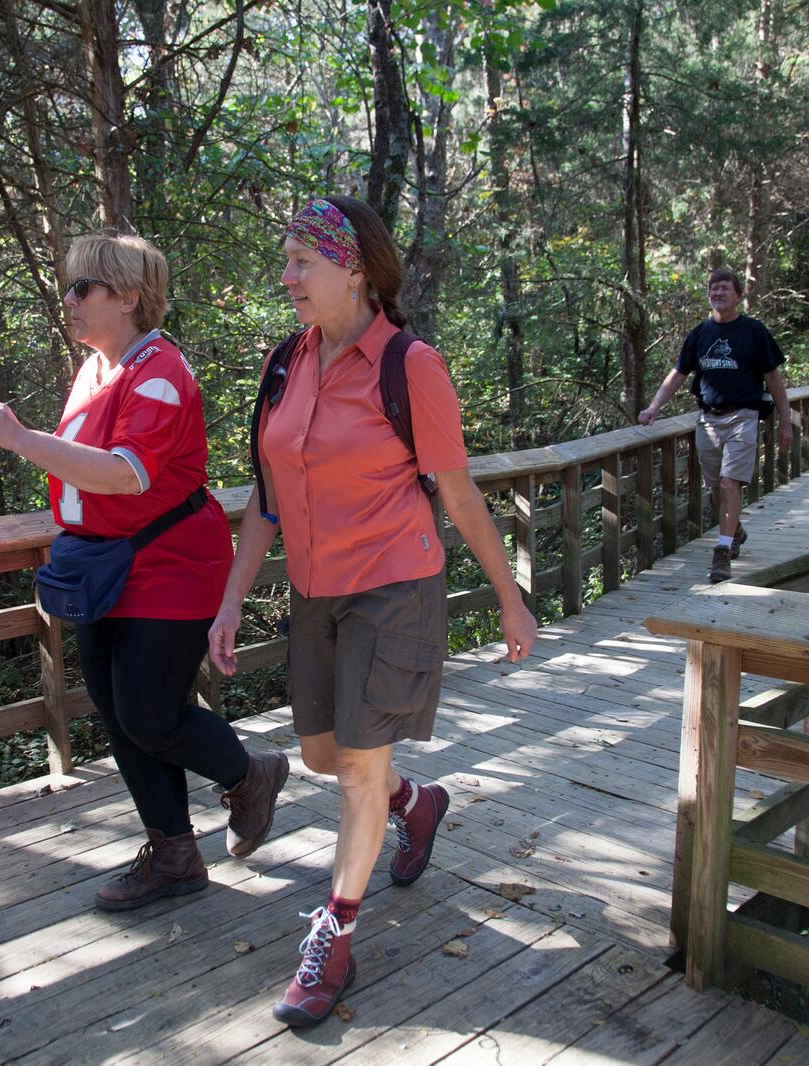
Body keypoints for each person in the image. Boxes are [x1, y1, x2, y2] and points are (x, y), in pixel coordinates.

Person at [207, 196, 537, 1027]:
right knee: (322, 755)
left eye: (300, 263)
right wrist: (232, 596)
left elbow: (456, 494)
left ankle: (334, 938)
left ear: (352, 268)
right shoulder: (284, 363)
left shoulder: (410, 366)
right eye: (285, 261)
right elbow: (267, 499)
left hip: (395, 588)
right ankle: (416, 805)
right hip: (316, 592)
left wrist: (509, 599)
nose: (286, 279)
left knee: (357, 766)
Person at [0, 231, 288, 913]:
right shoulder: (95, 369)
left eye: (82, 287)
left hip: (171, 565)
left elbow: (125, 475)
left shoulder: (159, 373)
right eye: (69, 286)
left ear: (127, 297)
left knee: (150, 714)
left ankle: (251, 774)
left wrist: (24, 439)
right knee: (122, 717)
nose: (68, 300)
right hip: (101, 565)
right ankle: (175, 855)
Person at [638, 268, 792, 583]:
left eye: (725, 289)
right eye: (714, 289)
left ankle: (722, 552)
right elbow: (678, 374)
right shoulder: (699, 334)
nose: (719, 293)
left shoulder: (753, 331)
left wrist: (786, 421)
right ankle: (735, 530)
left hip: (743, 416)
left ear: (738, 295)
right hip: (708, 419)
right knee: (714, 486)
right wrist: (654, 406)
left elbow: (774, 378)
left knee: (728, 483)